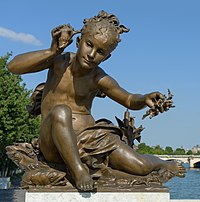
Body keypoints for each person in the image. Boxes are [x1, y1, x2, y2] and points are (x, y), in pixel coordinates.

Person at [7, 11, 185, 191]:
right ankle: (78, 171)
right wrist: (53, 51)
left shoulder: (98, 78)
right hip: (53, 143)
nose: (92, 54)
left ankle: (164, 162)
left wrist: (145, 98)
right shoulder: (59, 62)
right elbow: (13, 66)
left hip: (90, 141)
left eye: (100, 52)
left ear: (106, 57)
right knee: (62, 111)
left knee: (140, 166)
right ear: (78, 42)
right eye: (89, 45)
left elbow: (129, 99)